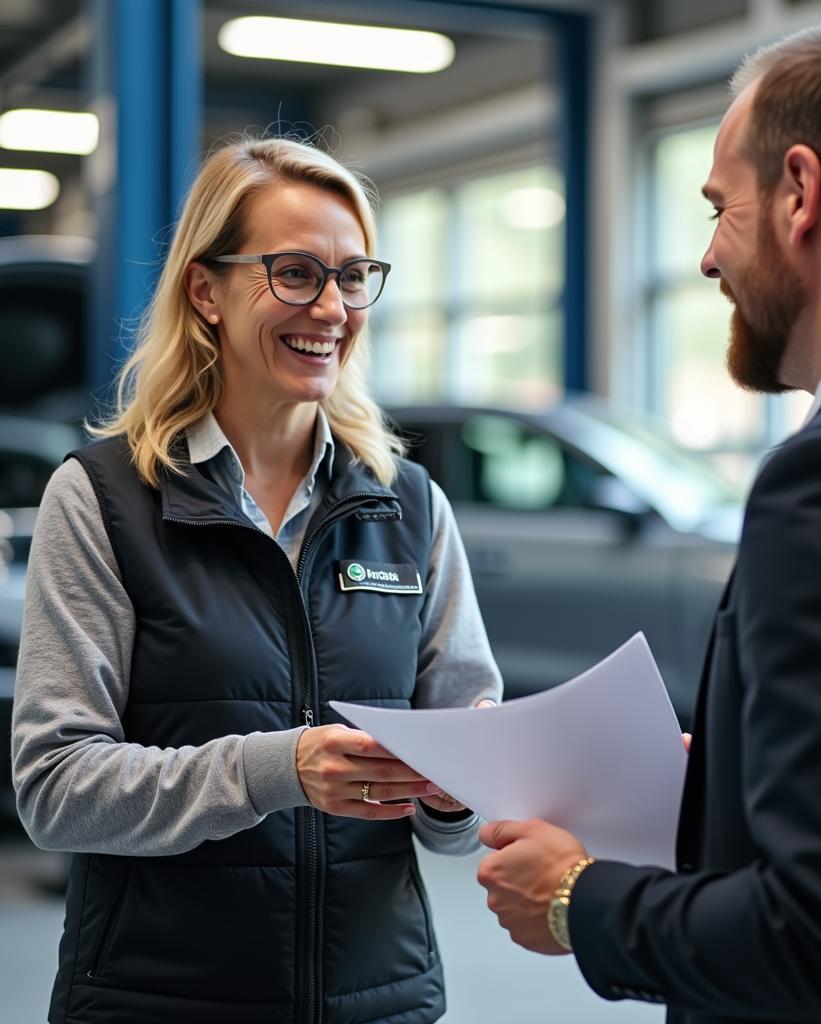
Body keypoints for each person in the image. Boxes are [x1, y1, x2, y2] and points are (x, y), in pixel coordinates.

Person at [476, 16, 821, 1024]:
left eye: (719, 207)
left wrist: (574, 896)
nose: (704, 260)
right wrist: (734, 775)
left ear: (800, 193)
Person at [11, 136, 501, 1024]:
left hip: (378, 1003)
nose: (332, 308)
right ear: (206, 292)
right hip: (156, 1002)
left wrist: (463, 784)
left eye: (353, 276)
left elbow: (461, 816)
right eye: (295, 273)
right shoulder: (104, 500)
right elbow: (54, 788)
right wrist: (279, 769)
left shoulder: (411, 509)